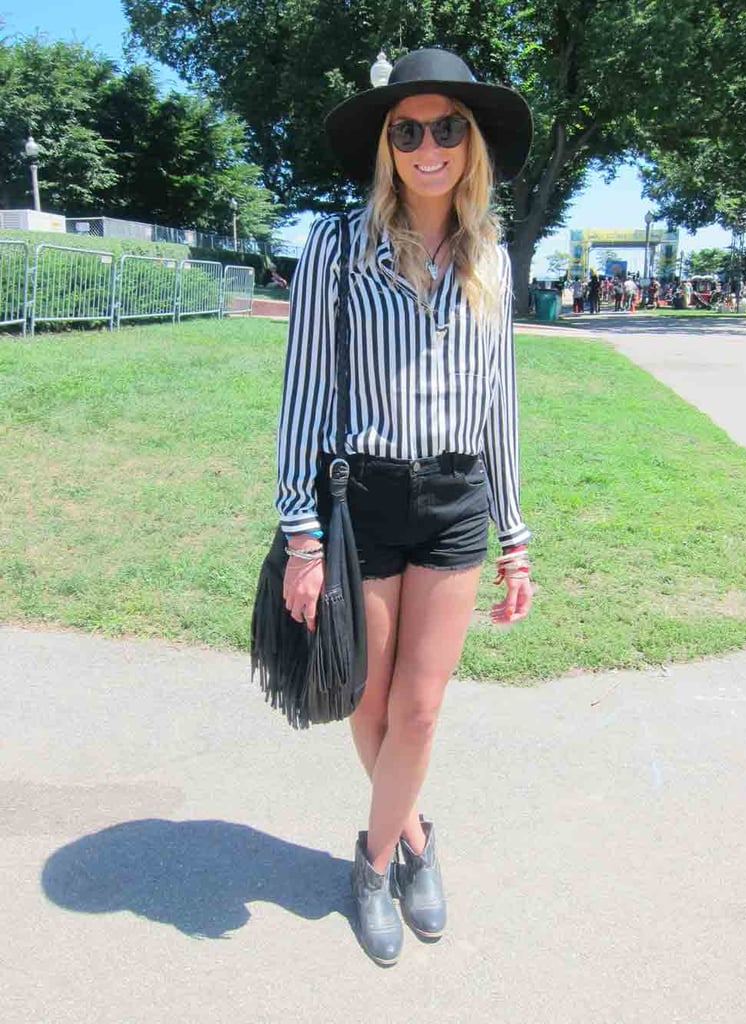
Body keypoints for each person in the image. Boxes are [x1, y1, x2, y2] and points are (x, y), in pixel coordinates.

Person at [275, 47, 534, 966]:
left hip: (459, 496)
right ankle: (419, 838)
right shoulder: (336, 245)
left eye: (447, 127)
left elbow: (500, 400)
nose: (429, 145)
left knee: (420, 712)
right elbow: (305, 394)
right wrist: (301, 535)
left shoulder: (493, 256)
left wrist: (517, 536)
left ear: (472, 143)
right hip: (366, 499)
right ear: (388, 144)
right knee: (369, 699)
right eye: (408, 129)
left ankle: (375, 862)